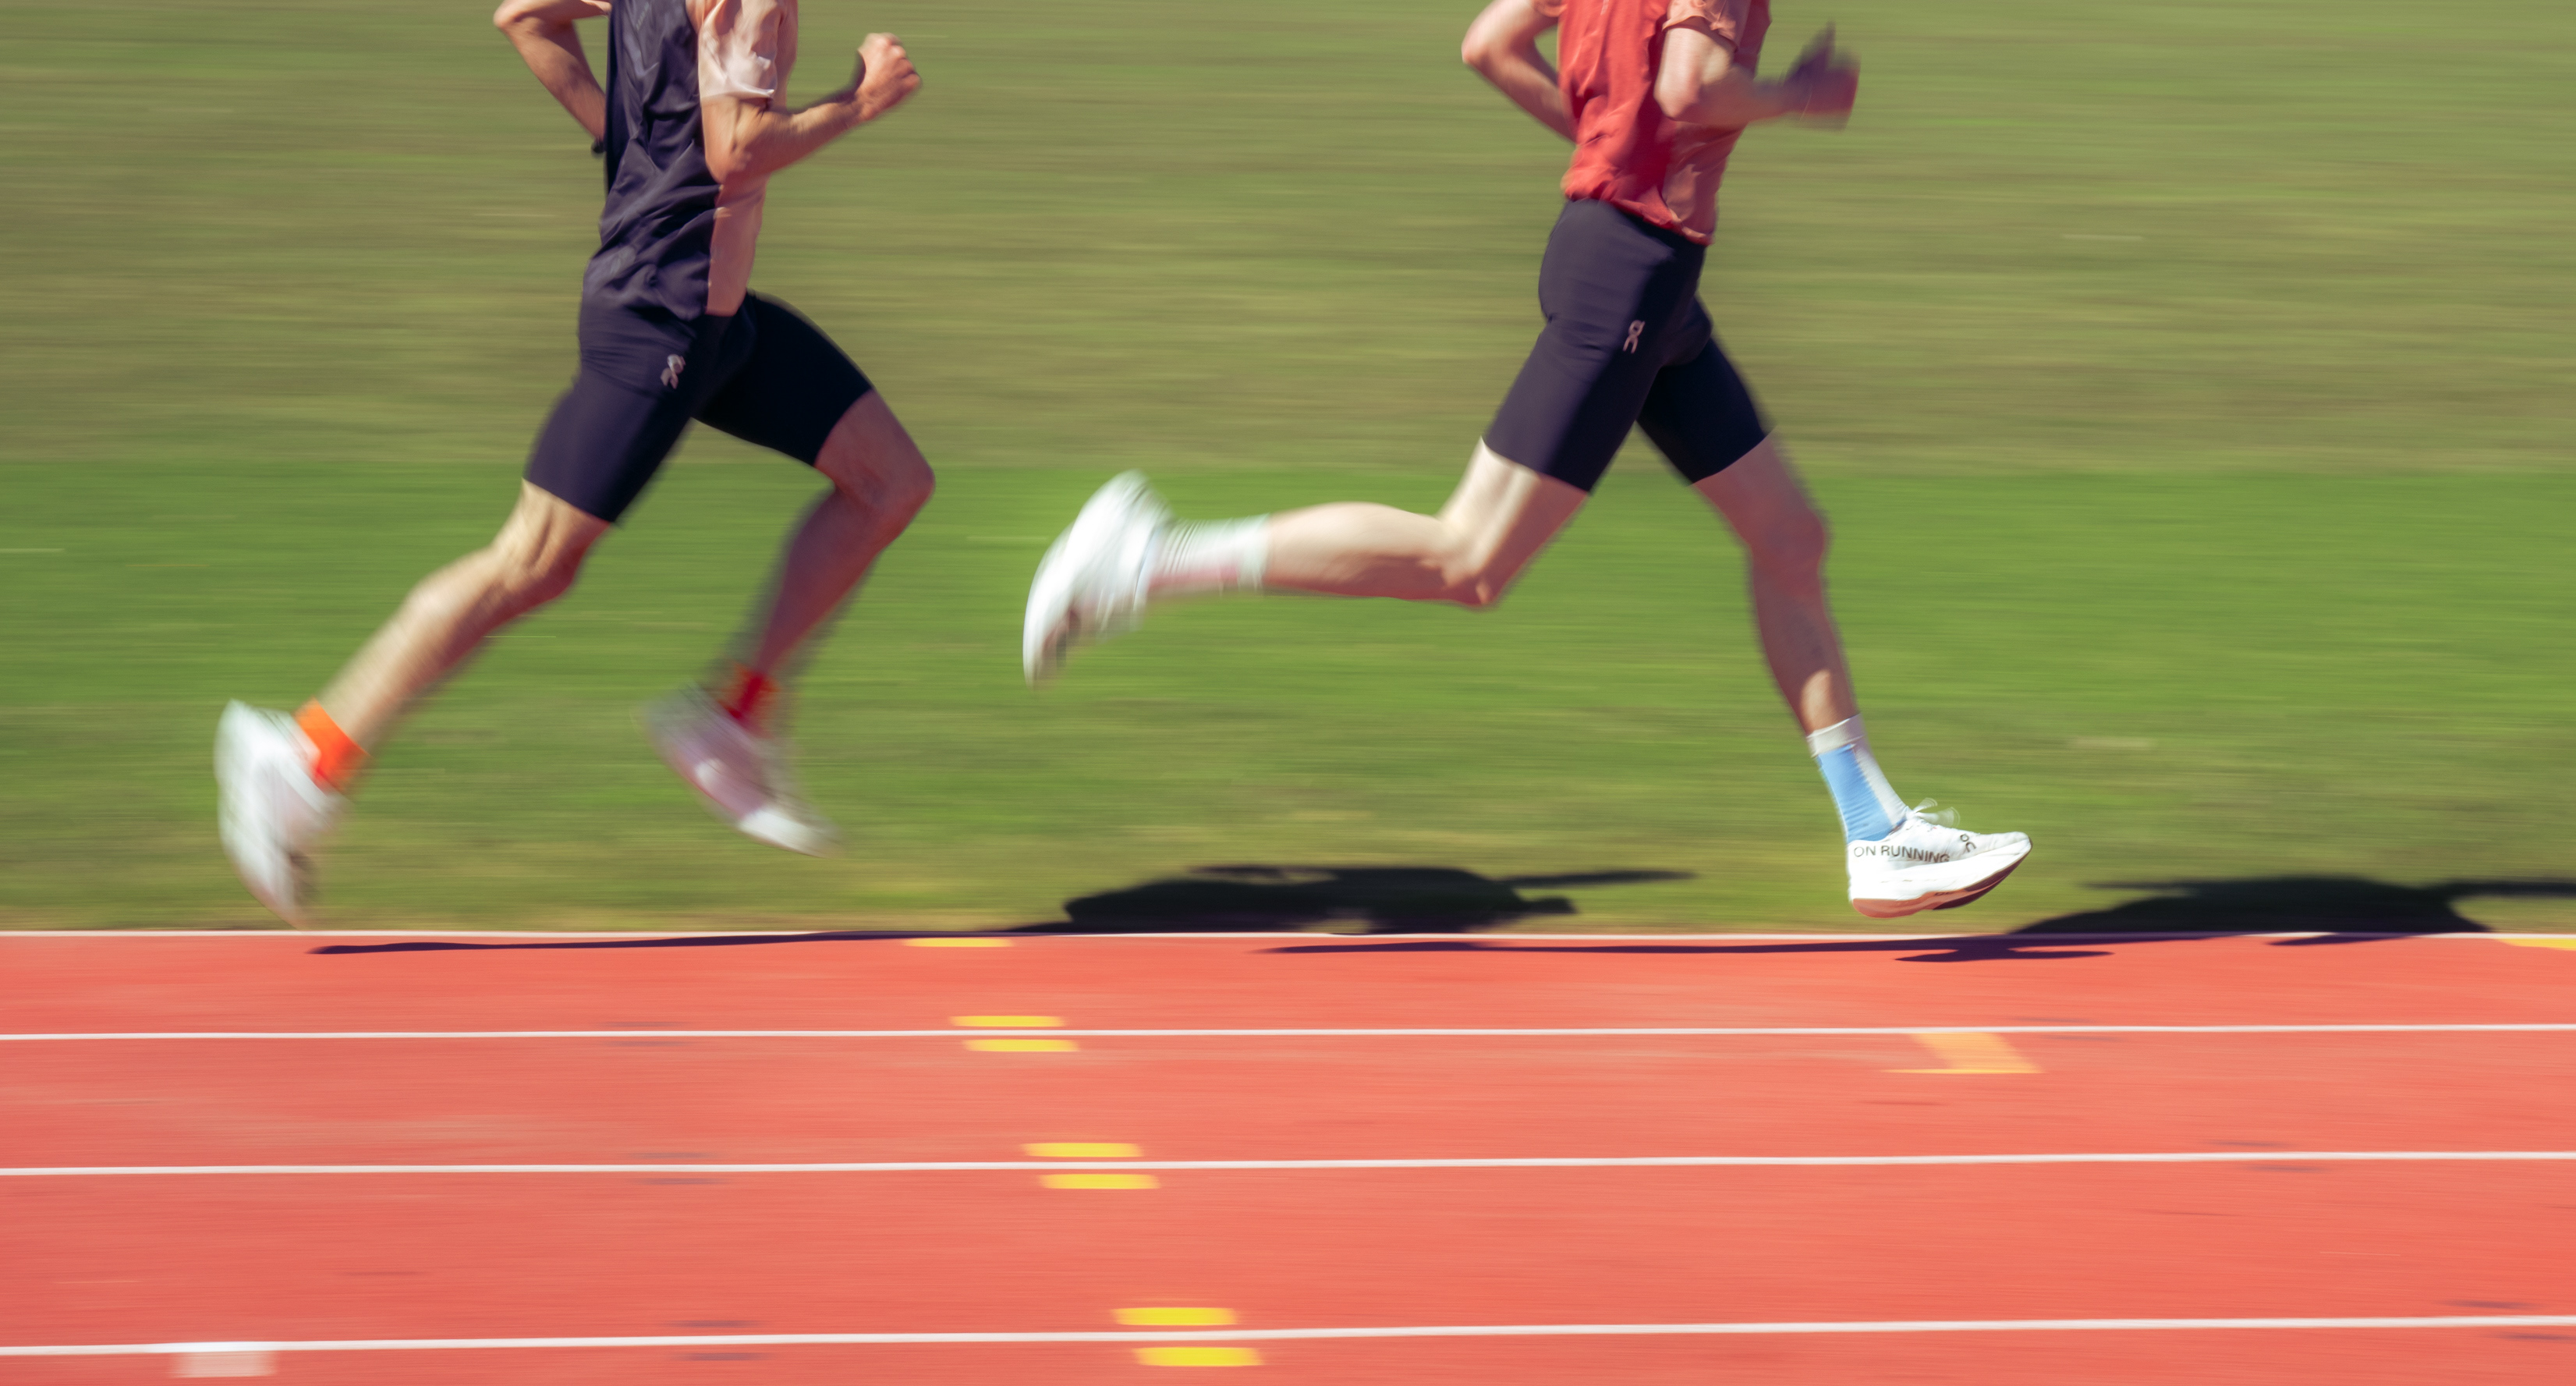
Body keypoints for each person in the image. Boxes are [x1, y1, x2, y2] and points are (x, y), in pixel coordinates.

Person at [1022, 0, 2027, 920]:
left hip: (1644, 278)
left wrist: (1604, 145)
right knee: (1469, 561)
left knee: (1789, 533)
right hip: (1628, 280)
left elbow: (1490, 43)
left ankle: (1876, 831)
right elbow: (1689, 87)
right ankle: (1147, 560)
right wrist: (1798, 96)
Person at [215, 0, 934, 924]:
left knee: (889, 482)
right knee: (532, 561)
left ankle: (732, 718)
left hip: (718, 321)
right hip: (662, 318)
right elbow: (737, 152)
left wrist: (635, 147)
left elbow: (523, 17)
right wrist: (862, 102)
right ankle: (304, 759)